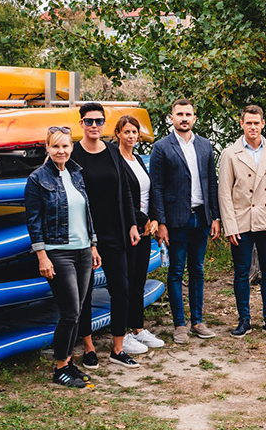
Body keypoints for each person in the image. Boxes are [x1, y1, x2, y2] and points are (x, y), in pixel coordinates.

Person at [24, 126, 101, 387]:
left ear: (71, 147)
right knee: (69, 313)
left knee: (77, 311)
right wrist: (41, 256)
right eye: (56, 146)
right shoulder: (37, 179)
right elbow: (33, 221)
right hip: (58, 253)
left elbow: (86, 213)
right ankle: (59, 369)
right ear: (47, 148)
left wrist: (92, 246)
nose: (61, 151)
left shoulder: (76, 174)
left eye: (65, 146)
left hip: (82, 251)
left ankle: (68, 362)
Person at [70, 103, 142, 369]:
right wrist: (89, 241)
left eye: (99, 121)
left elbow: (124, 191)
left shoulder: (112, 151)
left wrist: (133, 224)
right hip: (85, 234)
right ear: (81, 124)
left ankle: (118, 347)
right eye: (89, 122)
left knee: (121, 288)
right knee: (85, 293)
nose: (94, 126)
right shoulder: (73, 154)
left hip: (116, 232)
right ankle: (88, 346)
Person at [150, 99, 222, 343]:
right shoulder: (162, 147)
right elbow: (156, 187)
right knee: (176, 271)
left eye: (188, 114)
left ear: (194, 118)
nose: (184, 118)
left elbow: (212, 183)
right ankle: (180, 324)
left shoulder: (204, 145)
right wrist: (161, 222)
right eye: (179, 114)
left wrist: (216, 217)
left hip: (201, 217)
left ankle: (198, 321)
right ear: (171, 118)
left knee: (198, 271)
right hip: (176, 219)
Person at [218, 105, 266, 337]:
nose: (252, 127)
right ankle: (244, 319)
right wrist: (229, 225)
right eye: (248, 122)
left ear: (263, 124)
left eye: (256, 122)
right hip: (241, 221)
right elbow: (224, 193)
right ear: (241, 124)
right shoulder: (230, 153)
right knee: (241, 272)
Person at [115, 115, 167, 351]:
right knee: (124, 283)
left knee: (138, 281)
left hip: (146, 230)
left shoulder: (138, 159)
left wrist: (155, 219)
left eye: (134, 132)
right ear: (118, 134)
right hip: (128, 229)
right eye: (126, 132)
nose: (131, 136)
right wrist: (143, 220)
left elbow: (150, 192)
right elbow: (120, 199)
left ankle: (137, 328)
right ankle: (122, 332)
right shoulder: (115, 161)